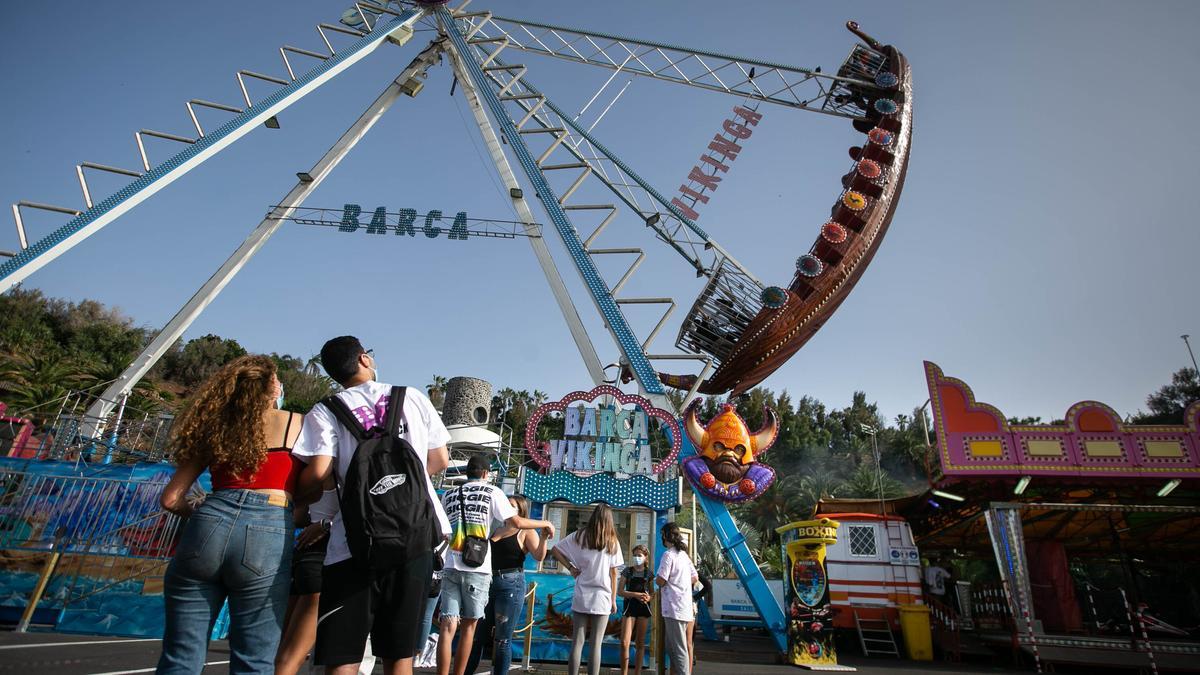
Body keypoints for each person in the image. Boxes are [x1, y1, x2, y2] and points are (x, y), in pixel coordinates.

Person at [292, 336, 452, 675]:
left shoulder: (325, 410)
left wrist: (304, 489)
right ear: (364, 359)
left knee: (343, 657)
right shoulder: (411, 397)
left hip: (353, 543)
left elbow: (319, 471)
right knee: (399, 657)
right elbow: (438, 459)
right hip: (416, 537)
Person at [156, 355, 303, 674]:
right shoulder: (295, 424)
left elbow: (170, 499)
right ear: (271, 388)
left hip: (209, 522)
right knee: (254, 660)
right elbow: (317, 479)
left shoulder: (218, 427)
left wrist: (199, 508)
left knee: (180, 655)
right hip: (268, 527)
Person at [439, 456, 555, 675]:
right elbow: (514, 524)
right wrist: (545, 523)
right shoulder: (492, 498)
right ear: (486, 474)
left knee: (455, 628)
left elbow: (443, 530)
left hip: (465, 569)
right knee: (471, 631)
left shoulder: (450, 494)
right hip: (479, 574)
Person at [463, 495, 549, 675]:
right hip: (487, 582)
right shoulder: (495, 528)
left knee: (502, 640)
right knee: (477, 636)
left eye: (511, 506)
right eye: (505, 505)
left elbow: (539, 556)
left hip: (511, 583)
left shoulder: (526, 531)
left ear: (520, 511)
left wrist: (544, 538)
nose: (506, 509)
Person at [550, 504, 624, 675]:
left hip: (582, 594)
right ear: (609, 520)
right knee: (596, 643)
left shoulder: (579, 536)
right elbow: (614, 573)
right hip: (603, 596)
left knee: (578, 641)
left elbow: (555, 549)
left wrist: (570, 567)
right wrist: (613, 600)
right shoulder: (612, 541)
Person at [275, 489, 338, 675]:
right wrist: (327, 524)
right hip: (329, 558)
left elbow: (298, 516)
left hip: (304, 555)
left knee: (283, 651)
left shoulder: (313, 468)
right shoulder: (352, 468)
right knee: (292, 657)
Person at [657, 522, 697, 675]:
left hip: (674, 607)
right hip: (683, 606)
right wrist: (682, 584)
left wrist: (659, 582)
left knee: (678, 649)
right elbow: (695, 577)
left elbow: (661, 579)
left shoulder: (668, 555)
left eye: (662, 534)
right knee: (672, 647)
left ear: (666, 536)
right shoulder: (684, 555)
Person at [616, 545, 653, 675]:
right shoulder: (627, 571)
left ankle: (637, 673)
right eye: (635, 555)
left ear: (645, 557)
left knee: (640, 643)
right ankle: (624, 673)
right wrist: (635, 595)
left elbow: (653, 594)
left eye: (640, 555)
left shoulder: (649, 573)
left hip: (643, 609)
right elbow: (620, 592)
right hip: (629, 608)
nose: (637, 558)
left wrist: (649, 598)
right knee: (625, 642)